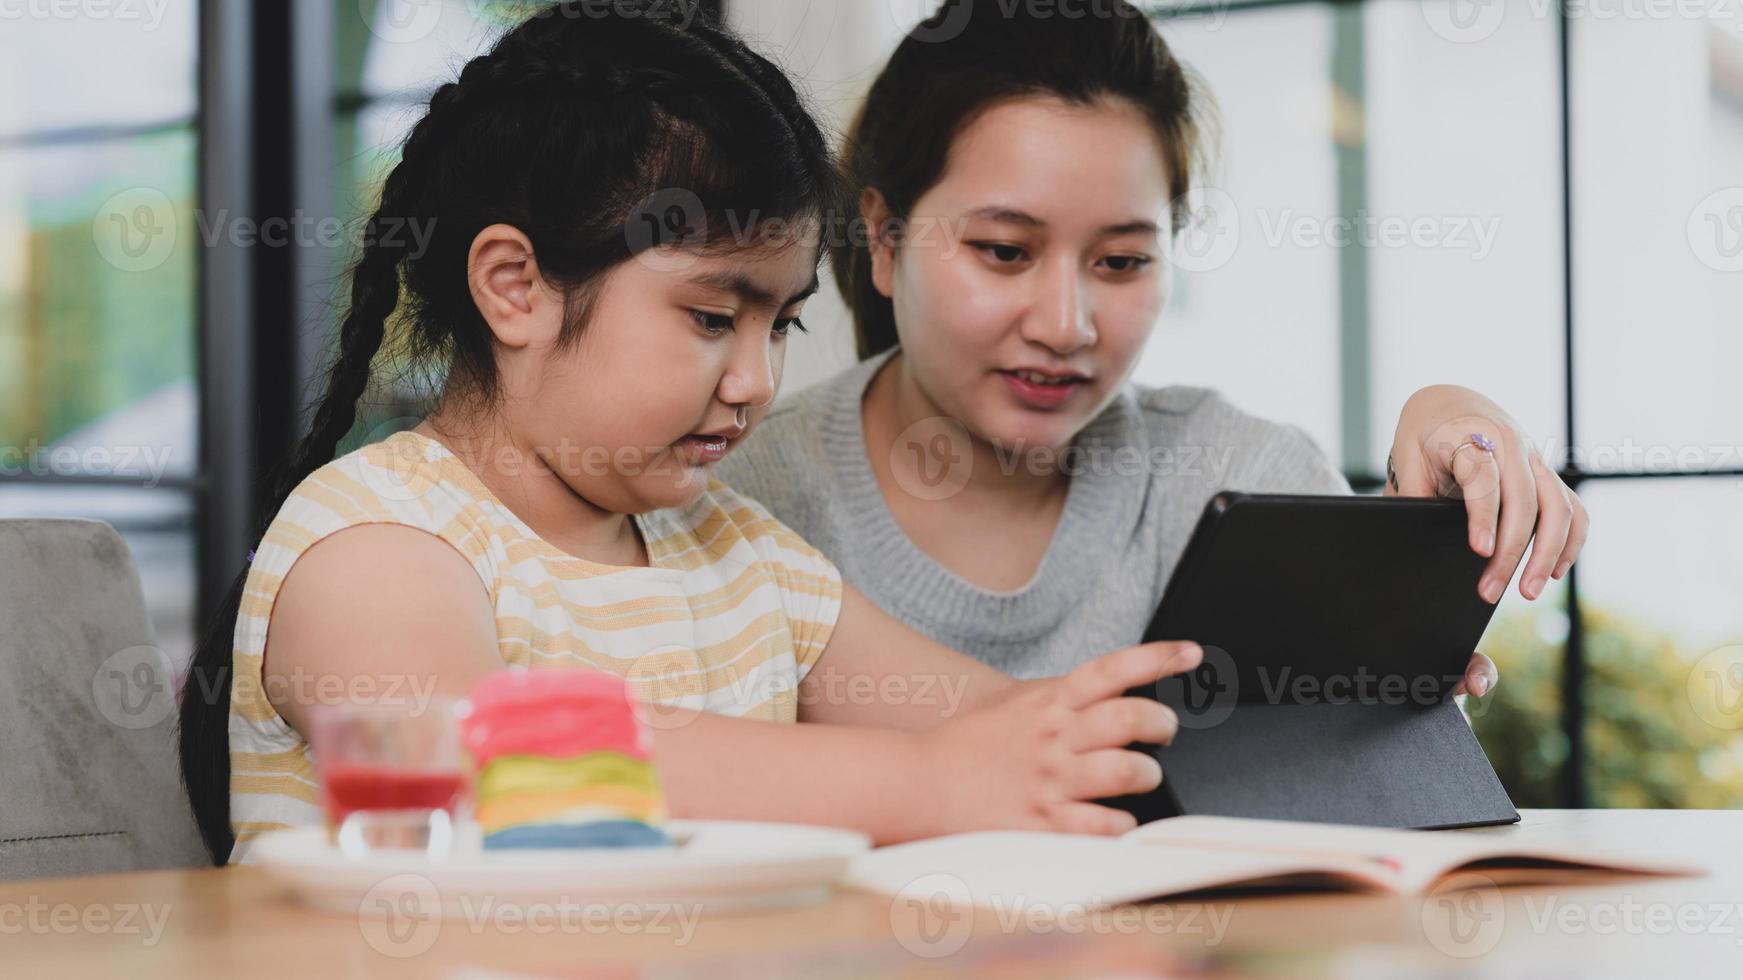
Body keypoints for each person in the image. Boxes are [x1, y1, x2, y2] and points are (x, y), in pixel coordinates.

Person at [176, 2, 1200, 864]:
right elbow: (474, 759)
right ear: (516, 286)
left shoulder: (743, 558)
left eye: (780, 322)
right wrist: (924, 782)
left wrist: (1088, 747)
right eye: (713, 317)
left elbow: (1005, 733)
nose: (757, 381)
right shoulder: (376, 542)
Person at [720, 0, 1587, 682]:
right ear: (882, 238)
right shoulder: (739, 500)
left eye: (1123, 260)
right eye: (1004, 252)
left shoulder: (1239, 479)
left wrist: (1443, 447)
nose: (1066, 325)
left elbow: (1367, 808)